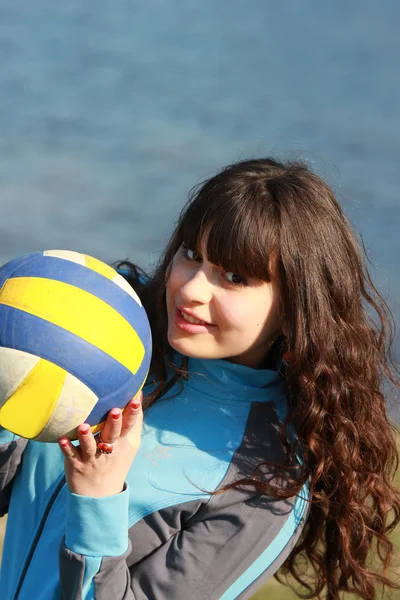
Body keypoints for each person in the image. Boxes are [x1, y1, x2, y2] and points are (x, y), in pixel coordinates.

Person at [0, 158, 399, 600]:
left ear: (294, 309)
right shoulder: (111, 331)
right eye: (192, 254)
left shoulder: (264, 482)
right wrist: (11, 380)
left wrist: (98, 498)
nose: (190, 289)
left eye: (234, 277)